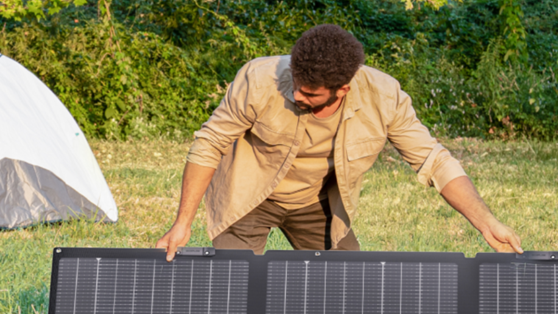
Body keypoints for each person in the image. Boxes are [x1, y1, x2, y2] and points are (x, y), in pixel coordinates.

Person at [157, 24, 522, 261]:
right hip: (247, 197)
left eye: (310, 93)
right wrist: (182, 223)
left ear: (342, 89)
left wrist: (487, 223)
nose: (297, 94)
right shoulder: (259, 78)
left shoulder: (384, 96)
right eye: (296, 82)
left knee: (347, 291)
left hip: (317, 204)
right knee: (231, 290)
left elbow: (435, 161)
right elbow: (209, 143)